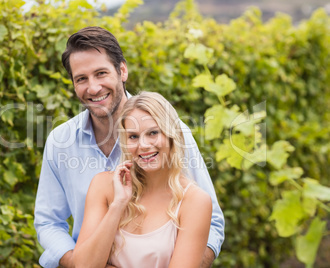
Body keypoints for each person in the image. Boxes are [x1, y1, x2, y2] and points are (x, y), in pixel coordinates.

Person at [34, 26, 224, 268]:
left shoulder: (174, 134)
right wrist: (79, 263)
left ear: (122, 70)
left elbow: (212, 223)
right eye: (81, 79)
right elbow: (49, 222)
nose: (93, 88)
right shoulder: (60, 142)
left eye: (101, 73)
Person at [73, 91, 212, 268]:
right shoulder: (103, 186)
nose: (143, 145)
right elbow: (83, 265)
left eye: (153, 133)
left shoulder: (194, 201)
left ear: (171, 135)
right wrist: (117, 205)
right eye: (133, 136)